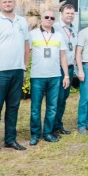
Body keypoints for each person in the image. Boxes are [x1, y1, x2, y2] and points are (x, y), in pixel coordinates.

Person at [0, 0, 30, 157]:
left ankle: (10, 139)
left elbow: (26, 47)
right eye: (4, 2)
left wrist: (24, 68)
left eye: (10, 1)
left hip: (17, 71)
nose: (7, 4)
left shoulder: (22, 21)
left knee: (13, 107)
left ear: (14, 3)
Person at [28, 10, 70, 145]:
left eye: (52, 18)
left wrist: (66, 75)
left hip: (55, 76)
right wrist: (24, 69)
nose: (49, 19)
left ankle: (47, 133)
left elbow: (63, 56)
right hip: (37, 76)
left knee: (52, 107)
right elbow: (26, 52)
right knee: (35, 107)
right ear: (41, 18)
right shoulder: (32, 34)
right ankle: (35, 134)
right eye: (46, 17)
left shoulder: (58, 35)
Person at [52, 4, 77, 135]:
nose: (70, 15)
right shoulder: (55, 27)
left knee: (64, 98)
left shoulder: (73, 28)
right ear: (61, 13)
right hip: (59, 69)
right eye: (67, 13)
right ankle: (52, 126)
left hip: (70, 68)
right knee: (57, 98)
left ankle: (58, 124)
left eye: (72, 13)